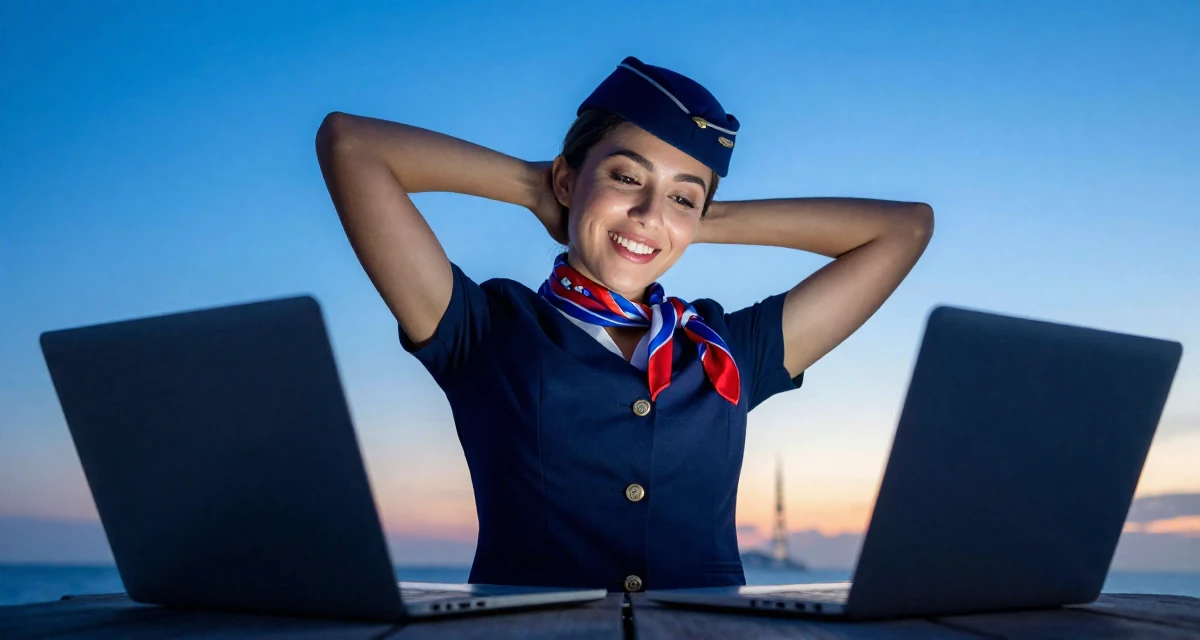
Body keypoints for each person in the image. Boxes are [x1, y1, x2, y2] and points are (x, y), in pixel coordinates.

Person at [315, 56, 933, 593]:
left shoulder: (727, 349)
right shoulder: (485, 328)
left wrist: (698, 217)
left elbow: (904, 228)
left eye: (681, 197)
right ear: (567, 178)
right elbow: (351, 145)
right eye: (625, 177)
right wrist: (539, 190)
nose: (645, 213)